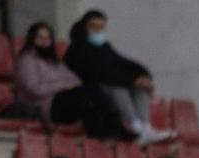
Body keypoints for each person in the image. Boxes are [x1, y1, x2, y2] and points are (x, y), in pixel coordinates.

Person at [64, 9, 165, 143]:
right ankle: (135, 127)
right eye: (94, 27)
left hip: (110, 83)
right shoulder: (77, 49)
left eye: (101, 27)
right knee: (119, 88)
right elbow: (98, 73)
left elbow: (121, 62)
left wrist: (143, 75)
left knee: (139, 89)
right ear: (84, 27)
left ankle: (146, 126)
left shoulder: (105, 47)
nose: (98, 31)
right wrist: (133, 81)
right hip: (90, 90)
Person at [15, 21, 127, 142]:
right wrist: (63, 85)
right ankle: (108, 133)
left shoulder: (55, 62)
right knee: (84, 96)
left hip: (67, 100)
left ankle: (109, 134)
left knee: (93, 92)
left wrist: (69, 85)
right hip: (47, 106)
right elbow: (34, 88)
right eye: (40, 37)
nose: (44, 41)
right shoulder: (27, 60)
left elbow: (75, 80)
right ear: (32, 39)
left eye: (47, 38)